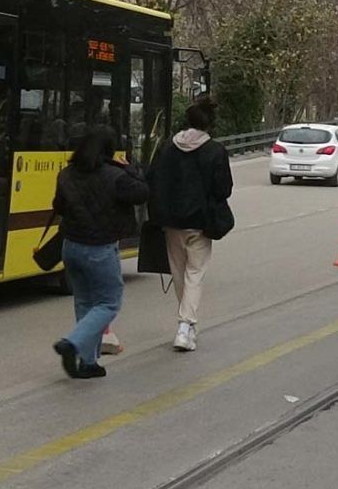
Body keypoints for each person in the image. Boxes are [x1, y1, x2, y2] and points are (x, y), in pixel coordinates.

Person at [49, 127, 146, 380]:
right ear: (109, 151)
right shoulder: (115, 176)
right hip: (99, 249)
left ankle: (88, 363)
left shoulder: (66, 175)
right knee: (108, 302)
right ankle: (72, 342)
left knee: (84, 302)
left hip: (70, 247)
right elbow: (142, 193)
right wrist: (129, 168)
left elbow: (58, 206)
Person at [146, 100, 235, 353]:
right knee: (195, 274)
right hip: (200, 223)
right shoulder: (215, 151)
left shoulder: (167, 147)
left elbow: (152, 179)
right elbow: (223, 189)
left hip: (170, 222)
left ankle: (186, 325)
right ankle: (185, 326)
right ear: (209, 123)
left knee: (178, 273)